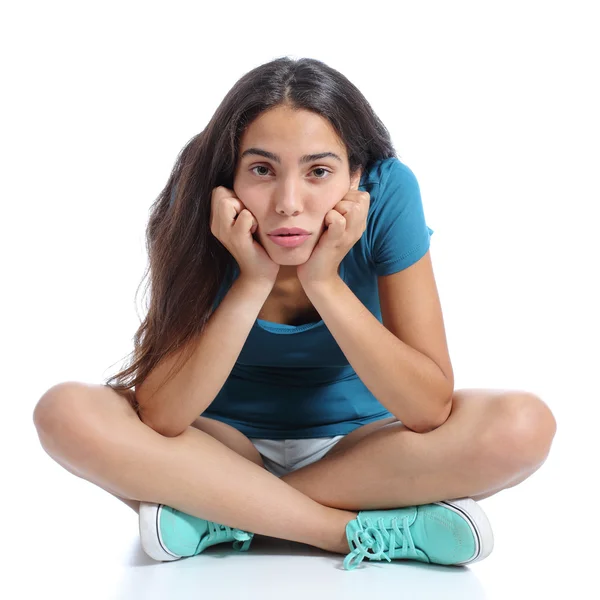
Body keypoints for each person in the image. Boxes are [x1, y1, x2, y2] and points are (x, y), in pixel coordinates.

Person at [32, 56, 557, 572]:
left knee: (523, 426)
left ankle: (217, 512)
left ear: (357, 177)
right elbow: (164, 418)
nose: (288, 202)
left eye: (318, 172)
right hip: (215, 445)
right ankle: (349, 531)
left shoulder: (391, 192)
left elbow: (427, 408)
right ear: (228, 176)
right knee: (65, 413)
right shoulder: (197, 198)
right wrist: (253, 279)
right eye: (262, 170)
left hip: (366, 454)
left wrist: (324, 281)